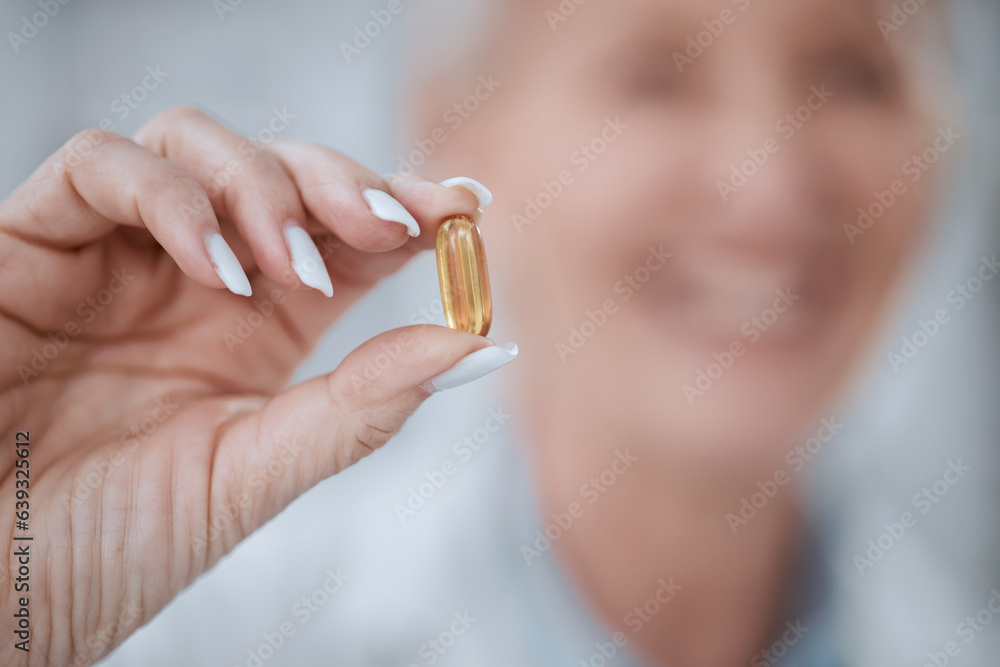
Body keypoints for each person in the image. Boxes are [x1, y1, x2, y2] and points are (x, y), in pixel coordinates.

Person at [0, 0, 996, 665]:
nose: (769, 181)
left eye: (853, 74)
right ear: (456, 129)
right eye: (653, 76)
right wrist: (19, 585)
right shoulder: (211, 632)